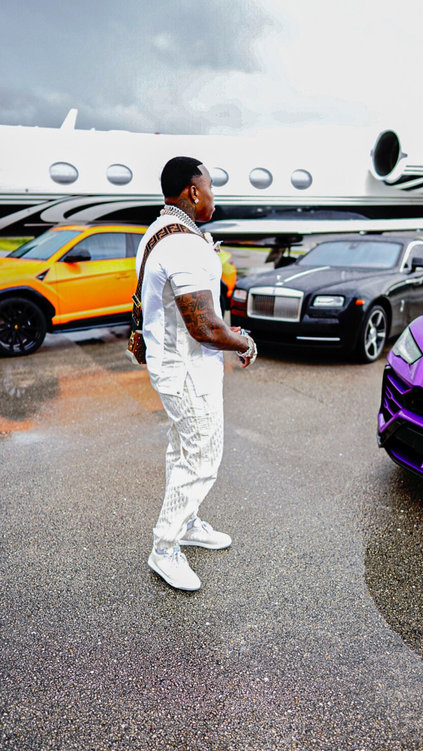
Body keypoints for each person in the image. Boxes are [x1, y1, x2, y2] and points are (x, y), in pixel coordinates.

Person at [137, 156, 257, 592]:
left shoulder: (159, 231)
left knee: (183, 451)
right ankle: (165, 547)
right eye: (210, 188)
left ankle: (185, 523)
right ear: (192, 190)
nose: (212, 196)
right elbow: (204, 327)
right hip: (187, 369)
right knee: (202, 457)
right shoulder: (183, 245)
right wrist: (244, 343)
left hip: (174, 363)